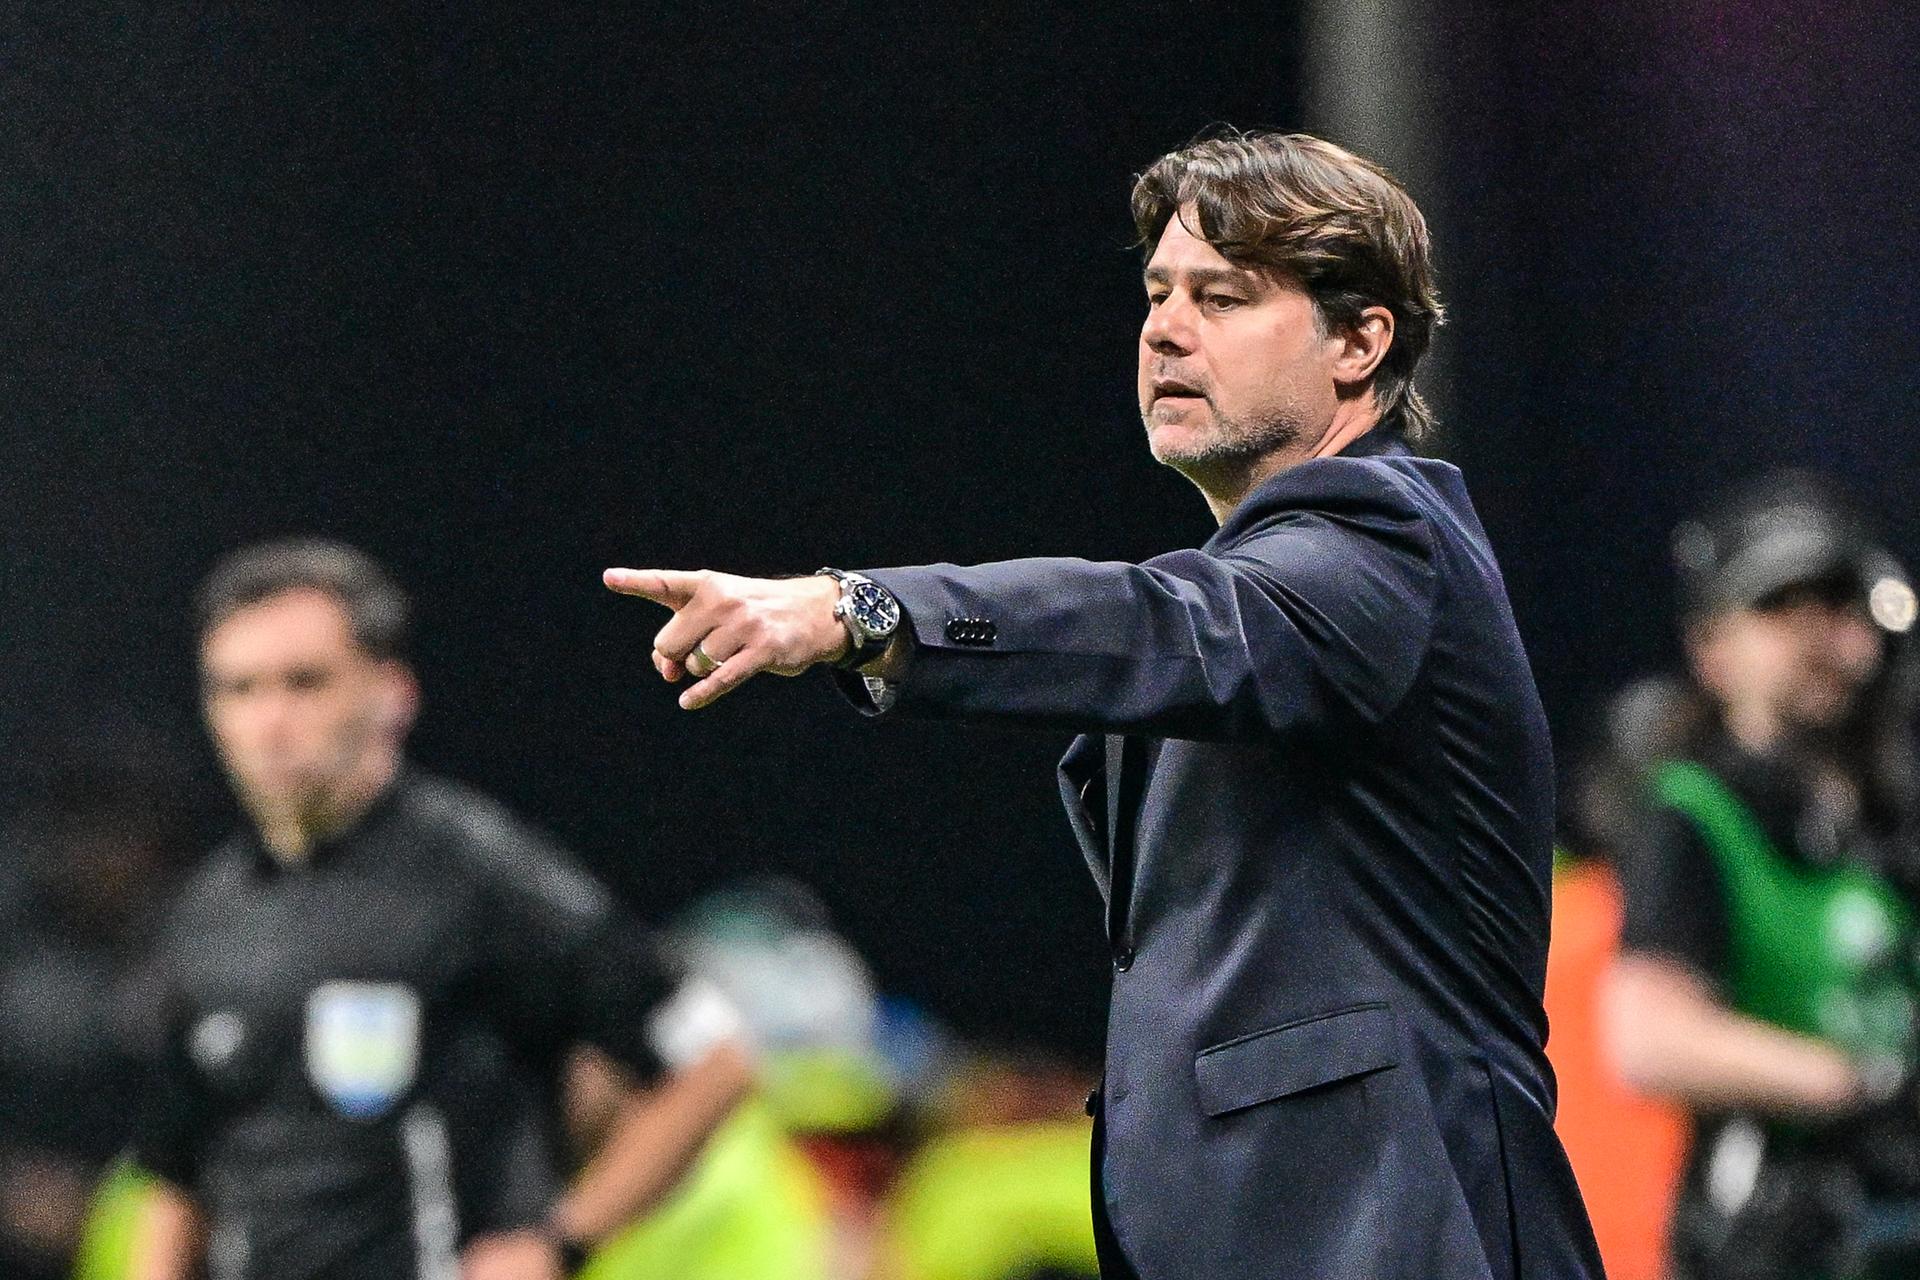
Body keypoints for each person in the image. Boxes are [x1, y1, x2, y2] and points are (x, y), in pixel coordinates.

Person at [602, 130, 1602, 1278]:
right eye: (1158, 293)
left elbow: (1162, 623)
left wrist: (862, 611)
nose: (1166, 327)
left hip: (1401, 1239)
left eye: (1223, 297)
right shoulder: (1272, 592)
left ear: (1360, 340)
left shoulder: (1388, 540)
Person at [128, 539, 754, 1280]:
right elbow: (175, 1176)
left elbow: (714, 1064)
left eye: (305, 683)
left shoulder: (482, 874)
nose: (269, 722)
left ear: (391, 691)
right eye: (238, 689)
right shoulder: (207, 914)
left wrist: (559, 1242)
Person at [1604, 473, 1920, 1279]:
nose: (1823, 636)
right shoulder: (1693, 810)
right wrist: (1863, 1085)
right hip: (1774, 1240)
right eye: (1782, 609)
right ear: (1712, 648)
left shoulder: (1886, 814)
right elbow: (1649, 1039)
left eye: (1841, 606)